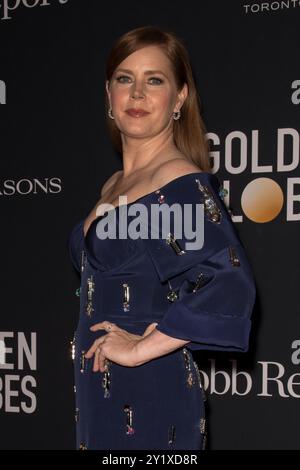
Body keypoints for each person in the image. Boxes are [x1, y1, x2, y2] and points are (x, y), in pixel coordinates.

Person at [68, 25, 256, 450]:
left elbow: (228, 281)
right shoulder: (115, 183)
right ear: (108, 93)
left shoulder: (175, 181)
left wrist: (141, 349)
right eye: (124, 79)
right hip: (101, 396)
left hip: (148, 394)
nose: (136, 94)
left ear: (180, 98)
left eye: (154, 80)